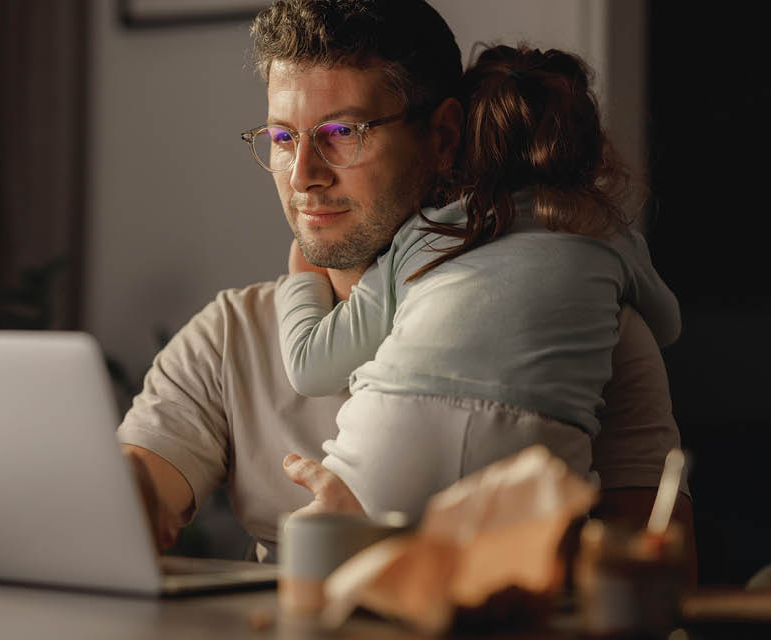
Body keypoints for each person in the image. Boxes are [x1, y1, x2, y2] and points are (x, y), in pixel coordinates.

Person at [116, 0, 693, 569]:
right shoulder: (230, 335)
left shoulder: (601, 333)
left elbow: (655, 584)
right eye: (282, 138)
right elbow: (127, 501)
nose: (304, 177)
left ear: (443, 137)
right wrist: (118, 496)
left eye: (342, 132)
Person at [273, 43, 680, 520]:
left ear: (453, 141)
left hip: (392, 435)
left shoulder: (424, 233)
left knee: (342, 560)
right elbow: (667, 325)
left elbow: (309, 366)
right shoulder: (604, 234)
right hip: (531, 453)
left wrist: (302, 272)